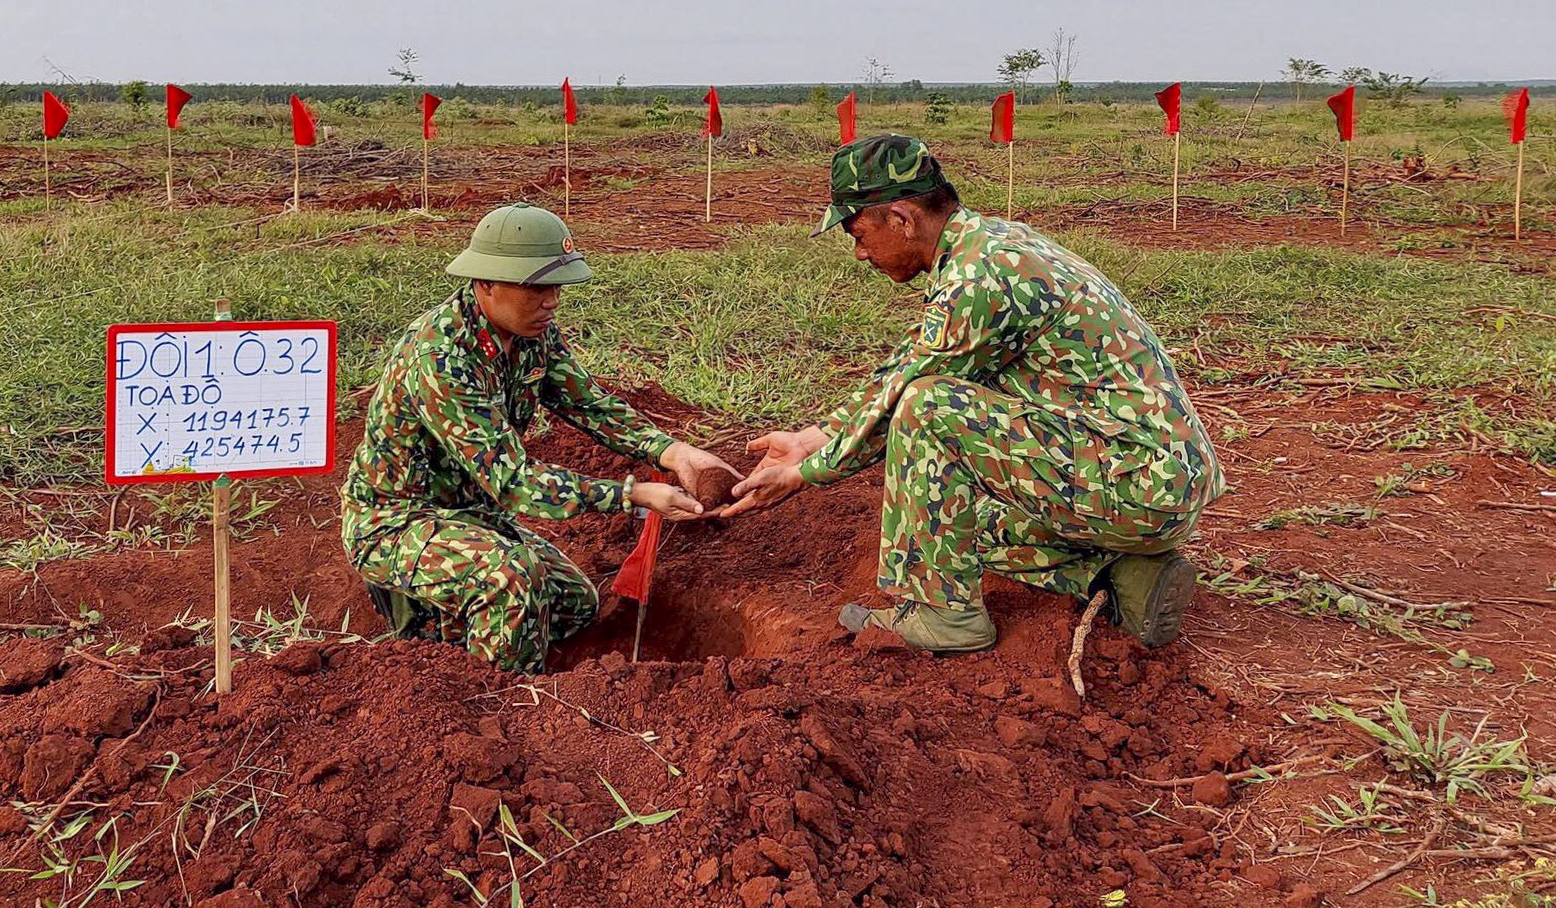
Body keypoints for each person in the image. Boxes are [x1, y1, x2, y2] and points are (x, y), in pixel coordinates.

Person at [724, 135, 1224, 653]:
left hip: (1138, 482)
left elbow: (906, 395)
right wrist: (814, 437)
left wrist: (805, 472)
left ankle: (946, 617)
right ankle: (1124, 579)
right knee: (950, 527)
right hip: (1138, 480)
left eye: (859, 232)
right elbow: (912, 358)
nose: (859, 252)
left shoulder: (983, 278)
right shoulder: (989, 245)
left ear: (901, 218)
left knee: (927, 408)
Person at [342, 202, 735, 672]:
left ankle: (439, 626)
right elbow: (515, 482)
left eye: (556, 288)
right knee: (510, 581)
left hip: (473, 514)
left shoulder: (531, 333)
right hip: (397, 521)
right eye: (535, 288)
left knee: (573, 604)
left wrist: (671, 451)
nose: (551, 301)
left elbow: (588, 404)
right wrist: (632, 494)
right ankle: (502, 699)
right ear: (484, 284)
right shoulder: (441, 359)